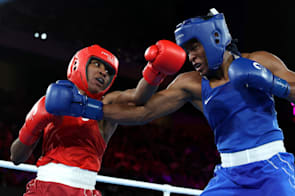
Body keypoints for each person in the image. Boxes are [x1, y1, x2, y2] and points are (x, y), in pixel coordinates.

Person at [100, 9, 295, 195]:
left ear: (215, 39)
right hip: (230, 176)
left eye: (194, 48)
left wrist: (273, 84)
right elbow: (142, 112)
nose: (190, 57)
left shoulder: (259, 61)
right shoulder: (191, 83)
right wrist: (89, 108)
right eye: (187, 51)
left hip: (272, 168)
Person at [10, 41, 186, 196]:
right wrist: (33, 125)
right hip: (45, 189)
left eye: (108, 71)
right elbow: (16, 157)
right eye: (97, 65)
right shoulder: (51, 103)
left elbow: (138, 97)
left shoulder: (108, 104)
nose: (103, 73)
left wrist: (154, 70)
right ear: (79, 65)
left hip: (85, 190)